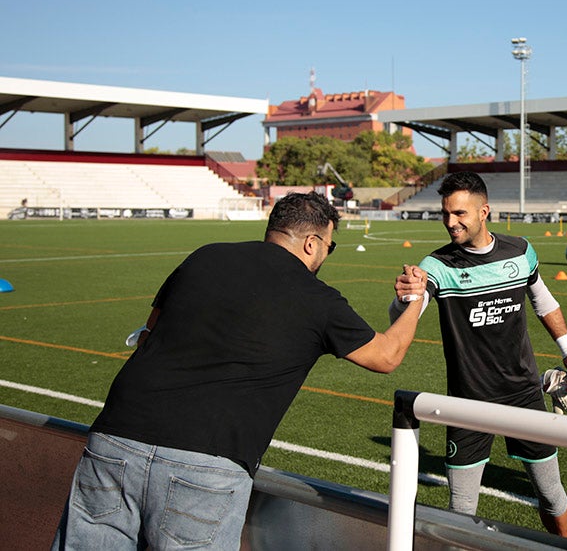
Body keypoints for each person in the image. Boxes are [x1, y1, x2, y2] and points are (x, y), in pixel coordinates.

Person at [52, 192, 426, 550]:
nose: (326, 255)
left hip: (116, 438)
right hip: (207, 463)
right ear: (312, 243)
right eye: (330, 247)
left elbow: (150, 331)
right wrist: (415, 302)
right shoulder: (316, 298)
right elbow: (387, 356)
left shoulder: (205, 257)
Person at [391, 171, 567, 538]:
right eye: (446, 214)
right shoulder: (437, 266)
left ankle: (563, 547)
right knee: (461, 511)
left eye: (460, 214)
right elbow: (405, 317)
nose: (451, 222)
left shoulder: (520, 251)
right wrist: (404, 297)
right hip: (467, 404)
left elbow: (543, 301)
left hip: (525, 395)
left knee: (550, 493)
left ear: (484, 212)